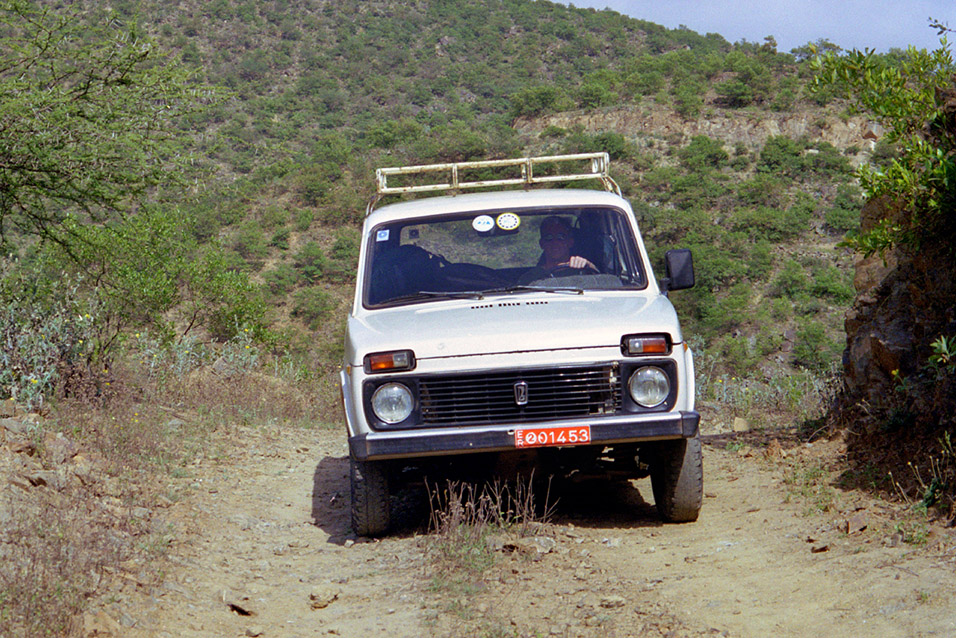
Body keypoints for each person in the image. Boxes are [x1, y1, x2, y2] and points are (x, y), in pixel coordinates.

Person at [519, 216, 596, 283]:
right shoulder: (531, 277)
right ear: (542, 244)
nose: (555, 242)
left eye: (560, 237)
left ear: (570, 242)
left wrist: (589, 265)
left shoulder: (582, 270)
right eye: (549, 238)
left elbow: (602, 285)